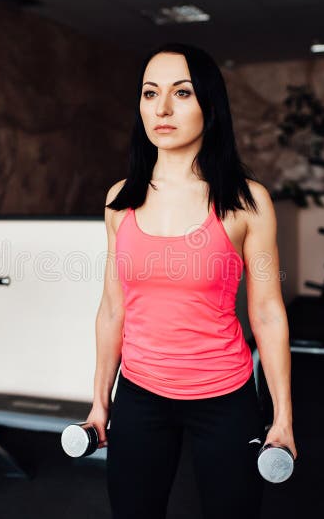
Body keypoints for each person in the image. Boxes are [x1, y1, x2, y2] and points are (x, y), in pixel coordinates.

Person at [87, 42, 296, 519]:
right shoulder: (120, 200)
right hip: (139, 393)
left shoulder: (247, 201)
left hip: (224, 396)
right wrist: (100, 401)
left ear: (210, 104)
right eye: (149, 93)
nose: (161, 108)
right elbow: (113, 308)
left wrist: (282, 417)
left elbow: (266, 311)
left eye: (181, 93)